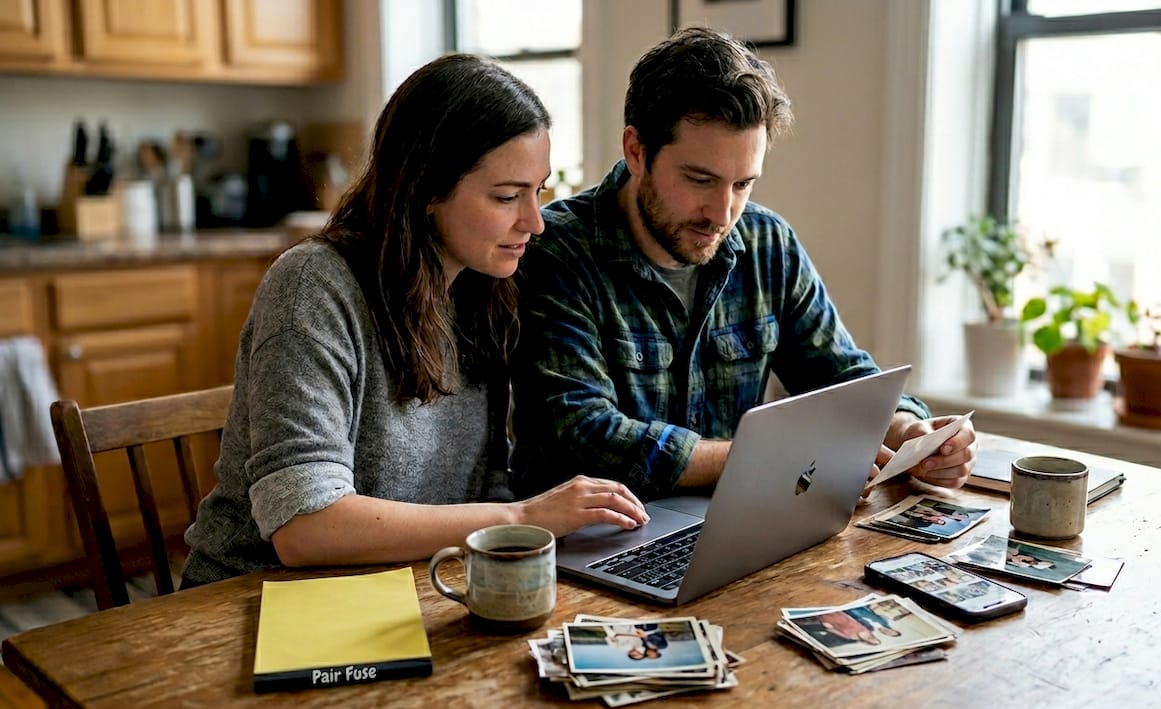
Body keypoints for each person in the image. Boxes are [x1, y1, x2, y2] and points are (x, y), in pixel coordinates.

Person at [180, 54, 648, 588]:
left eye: (537, 191)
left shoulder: (483, 289)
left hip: (405, 587)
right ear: (426, 189)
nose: (534, 222)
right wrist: (521, 518)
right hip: (253, 602)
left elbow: (483, 487)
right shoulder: (313, 286)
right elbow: (304, 526)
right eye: (506, 196)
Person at [510, 28, 975, 502]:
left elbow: (842, 378)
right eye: (700, 180)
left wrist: (909, 432)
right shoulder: (555, 249)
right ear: (636, 150)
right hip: (585, 546)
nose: (722, 213)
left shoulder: (766, 241)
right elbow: (586, 434)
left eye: (743, 184)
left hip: (731, 524)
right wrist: (769, 460)